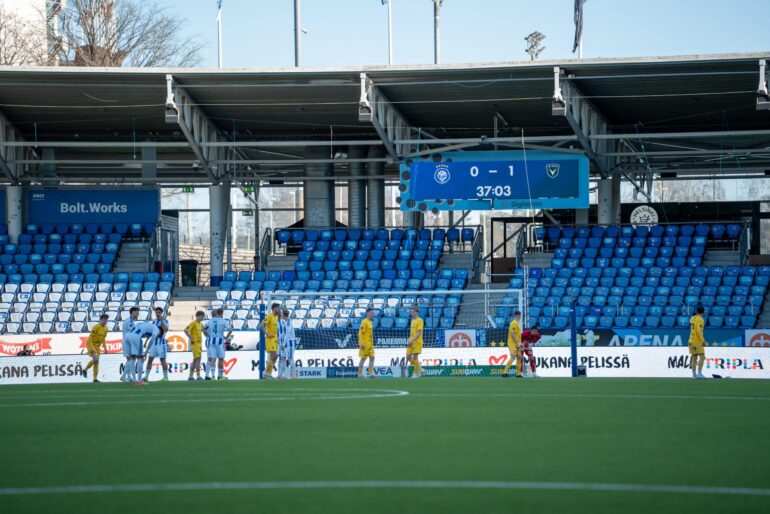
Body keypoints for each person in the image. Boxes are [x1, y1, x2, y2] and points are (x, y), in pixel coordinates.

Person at [123, 320, 159, 385]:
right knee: (140, 358)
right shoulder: (156, 329)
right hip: (136, 336)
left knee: (132, 358)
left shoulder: (145, 324)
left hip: (127, 336)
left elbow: (146, 334)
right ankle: (139, 381)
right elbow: (152, 340)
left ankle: (134, 379)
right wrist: (146, 352)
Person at [203, 308, 233, 381]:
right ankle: (220, 376)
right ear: (221, 313)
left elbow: (203, 329)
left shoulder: (210, 321)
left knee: (213, 358)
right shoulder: (223, 321)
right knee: (221, 359)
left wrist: (207, 335)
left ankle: (212, 376)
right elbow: (230, 329)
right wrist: (226, 337)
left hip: (211, 341)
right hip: (219, 340)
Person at [144, 307, 170, 382]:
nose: (157, 314)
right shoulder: (154, 322)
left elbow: (166, 330)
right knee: (150, 359)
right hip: (153, 343)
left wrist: (161, 321)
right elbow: (151, 333)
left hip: (161, 343)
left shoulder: (165, 321)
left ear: (161, 313)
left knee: (163, 360)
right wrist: (146, 341)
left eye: (159, 312)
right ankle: (146, 376)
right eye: (156, 312)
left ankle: (166, 377)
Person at [82, 314, 108, 382]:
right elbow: (90, 338)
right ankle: (85, 369)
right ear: (100, 320)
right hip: (91, 344)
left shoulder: (106, 328)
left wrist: (105, 347)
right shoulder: (96, 327)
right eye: (104, 320)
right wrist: (90, 348)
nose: (105, 321)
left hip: (97, 347)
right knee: (96, 358)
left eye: (106, 320)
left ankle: (95, 379)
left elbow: (103, 338)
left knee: (96, 362)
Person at [259, 303, 280, 379]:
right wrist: (267, 334)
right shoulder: (269, 316)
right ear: (274, 309)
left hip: (275, 339)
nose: (279, 310)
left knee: (275, 357)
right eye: (278, 308)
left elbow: (276, 328)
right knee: (273, 356)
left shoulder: (276, 317)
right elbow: (261, 326)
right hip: (270, 339)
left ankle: (267, 373)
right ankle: (266, 373)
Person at [185, 311, 206, 381]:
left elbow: (204, 331)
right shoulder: (193, 323)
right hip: (195, 343)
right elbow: (185, 330)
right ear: (198, 316)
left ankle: (190, 376)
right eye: (202, 316)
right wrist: (191, 338)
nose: (203, 318)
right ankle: (198, 376)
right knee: (198, 359)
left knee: (195, 360)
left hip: (199, 344)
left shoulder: (201, 324)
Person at [404, 306, 424, 378]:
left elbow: (419, 333)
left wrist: (412, 340)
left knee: (415, 357)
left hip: (417, 342)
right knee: (408, 357)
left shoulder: (420, 320)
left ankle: (415, 373)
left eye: (413, 312)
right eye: (411, 312)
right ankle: (419, 368)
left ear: (417, 312)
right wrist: (410, 340)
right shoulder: (412, 321)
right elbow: (412, 333)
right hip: (411, 342)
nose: (412, 313)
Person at [120, 307, 139, 382]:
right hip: (128, 342)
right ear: (133, 312)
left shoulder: (131, 321)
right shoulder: (129, 321)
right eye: (137, 312)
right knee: (131, 359)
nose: (138, 314)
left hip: (128, 342)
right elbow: (131, 333)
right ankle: (127, 376)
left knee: (130, 359)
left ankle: (127, 376)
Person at [278, 309, 298, 379]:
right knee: (282, 358)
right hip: (285, 343)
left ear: (283, 314)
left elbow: (287, 334)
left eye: (281, 314)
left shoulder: (289, 322)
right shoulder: (284, 321)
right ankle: (280, 375)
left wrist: (283, 344)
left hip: (290, 343)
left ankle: (294, 376)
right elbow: (283, 333)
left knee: (290, 358)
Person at [502, 311, 522, 377]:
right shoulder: (513, 323)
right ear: (517, 315)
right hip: (513, 343)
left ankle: (518, 373)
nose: (520, 317)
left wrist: (519, 343)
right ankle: (505, 372)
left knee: (519, 357)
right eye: (520, 316)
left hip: (518, 343)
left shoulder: (517, 323)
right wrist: (517, 343)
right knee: (513, 357)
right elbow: (513, 334)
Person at [689, 306, 707, 379]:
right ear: (703, 312)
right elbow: (699, 331)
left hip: (691, 340)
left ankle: (694, 375)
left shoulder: (692, 318)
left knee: (694, 357)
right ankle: (699, 373)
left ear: (696, 311)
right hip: (697, 341)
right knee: (702, 356)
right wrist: (703, 340)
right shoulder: (700, 319)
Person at [358, 308, 376, 378]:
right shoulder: (364, 322)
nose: (373, 314)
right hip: (364, 344)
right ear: (368, 313)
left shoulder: (370, 322)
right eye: (372, 313)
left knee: (372, 357)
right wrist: (361, 343)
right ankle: (359, 374)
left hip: (370, 344)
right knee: (363, 359)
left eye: (373, 313)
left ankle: (371, 374)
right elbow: (360, 333)